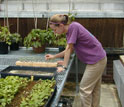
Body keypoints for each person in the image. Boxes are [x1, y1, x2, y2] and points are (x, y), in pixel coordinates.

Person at [45, 14, 107, 107]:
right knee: (94, 88)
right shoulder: (69, 31)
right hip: (98, 59)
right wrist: (54, 57)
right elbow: (68, 49)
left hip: (97, 61)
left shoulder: (74, 27)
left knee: (84, 89)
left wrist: (64, 66)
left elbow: (69, 49)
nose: (55, 32)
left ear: (61, 25)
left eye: (55, 29)